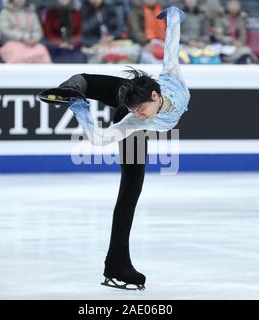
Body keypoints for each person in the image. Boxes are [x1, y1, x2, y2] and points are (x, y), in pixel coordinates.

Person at [43, 6, 190, 290]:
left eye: (144, 108)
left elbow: (171, 45)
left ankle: (117, 263)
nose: (141, 113)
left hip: (135, 98)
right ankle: (75, 89)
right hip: (127, 109)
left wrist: (173, 15)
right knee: (116, 94)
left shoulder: (169, 79)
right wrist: (80, 110)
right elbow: (99, 139)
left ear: (156, 96)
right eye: (138, 110)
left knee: (131, 189)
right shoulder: (135, 116)